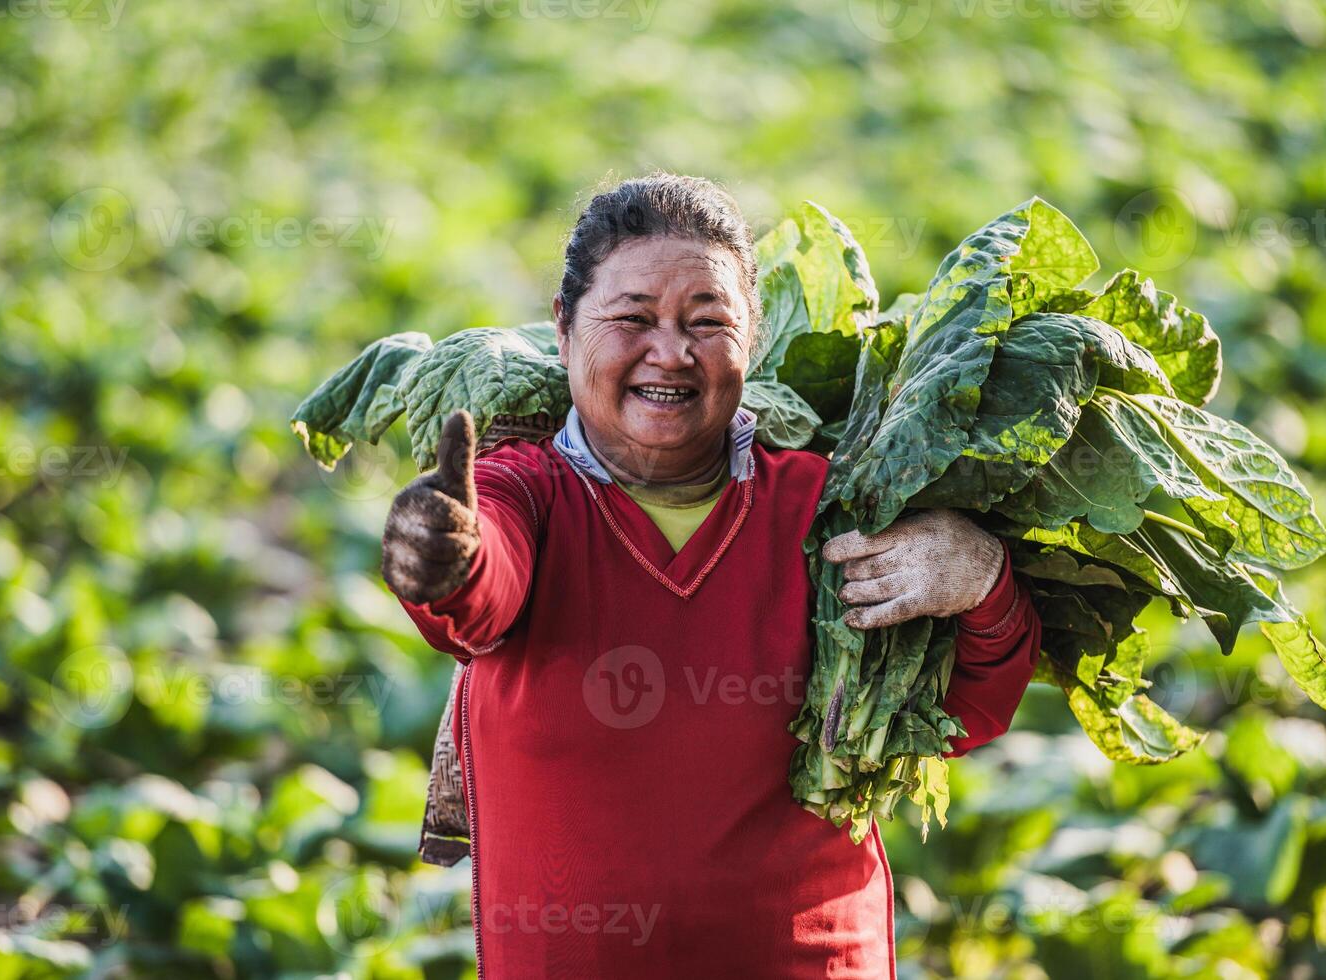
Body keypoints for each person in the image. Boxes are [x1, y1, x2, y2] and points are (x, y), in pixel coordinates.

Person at [381, 173, 1042, 978]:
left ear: (751, 341)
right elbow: (480, 596)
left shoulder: (826, 503)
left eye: (707, 322)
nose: (670, 352)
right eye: (631, 319)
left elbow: (964, 712)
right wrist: (442, 552)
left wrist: (983, 581)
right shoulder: (523, 491)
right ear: (563, 328)